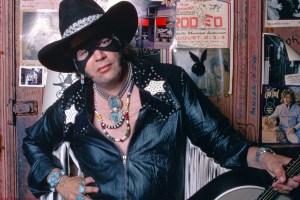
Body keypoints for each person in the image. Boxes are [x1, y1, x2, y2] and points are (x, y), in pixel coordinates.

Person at [22, 0, 300, 199]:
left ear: (117, 40)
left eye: (102, 40)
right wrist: (59, 180)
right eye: (83, 50)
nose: (98, 55)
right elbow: (33, 141)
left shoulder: (170, 83)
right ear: (76, 64)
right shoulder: (71, 105)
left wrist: (265, 159)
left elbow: (222, 142)